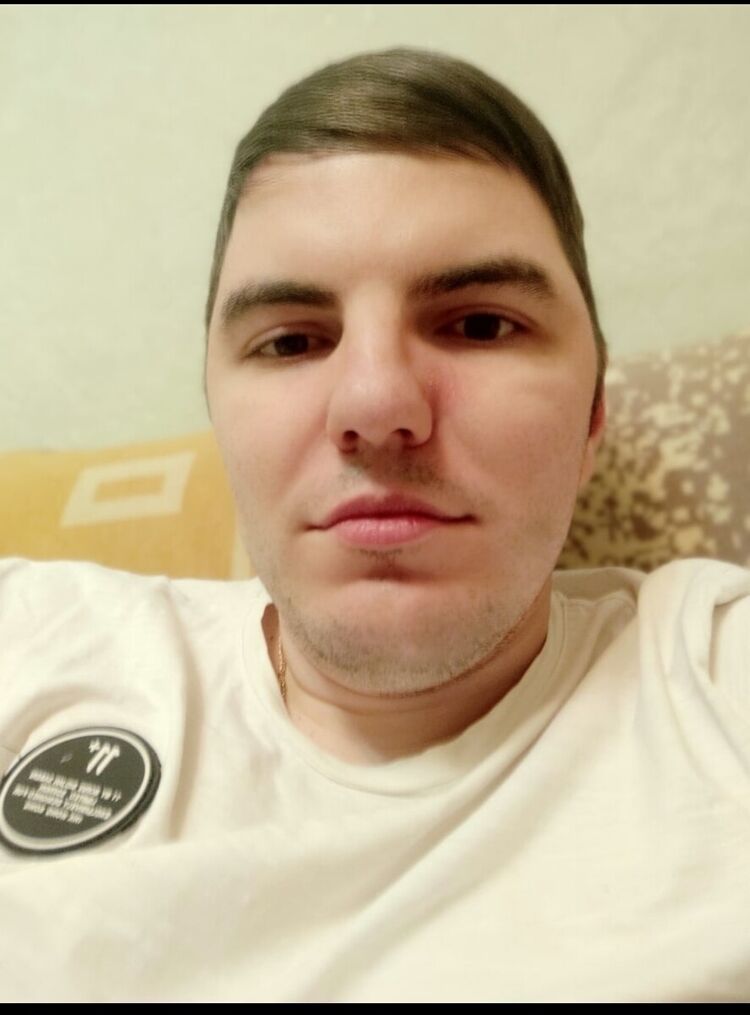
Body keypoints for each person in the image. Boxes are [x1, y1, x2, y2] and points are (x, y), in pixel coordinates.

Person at [0, 48, 748, 1002]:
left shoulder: (714, 683)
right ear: (220, 417)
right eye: (292, 341)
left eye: (479, 325)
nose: (376, 404)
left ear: (593, 418)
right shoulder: (35, 636)